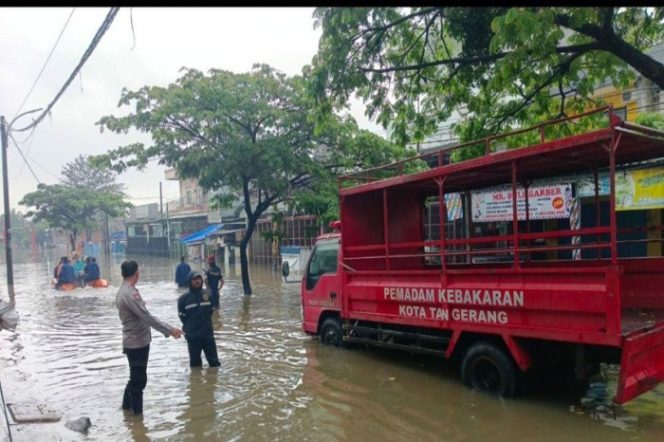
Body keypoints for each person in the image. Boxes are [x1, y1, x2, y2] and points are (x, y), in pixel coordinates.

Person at [116, 260, 183, 415]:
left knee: (136, 378)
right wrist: (169, 330)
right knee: (139, 382)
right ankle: (137, 419)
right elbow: (147, 317)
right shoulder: (129, 293)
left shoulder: (124, 291)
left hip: (134, 341)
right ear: (136, 274)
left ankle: (126, 408)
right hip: (137, 343)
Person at [177, 271, 220, 368]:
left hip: (207, 335)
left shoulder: (208, 295)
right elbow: (182, 317)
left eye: (198, 278)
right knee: (195, 366)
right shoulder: (183, 299)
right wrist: (190, 329)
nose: (197, 281)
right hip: (193, 337)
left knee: (214, 364)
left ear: (201, 280)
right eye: (194, 279)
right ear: (190, 281)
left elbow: (211, 310)